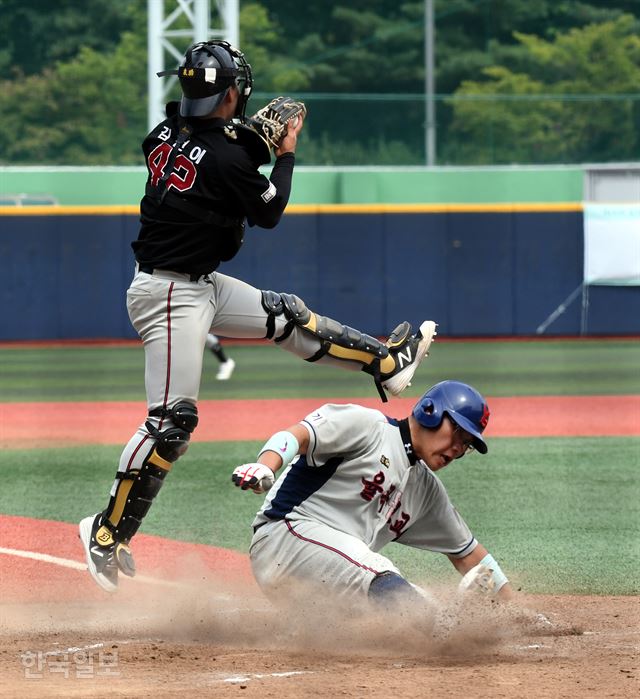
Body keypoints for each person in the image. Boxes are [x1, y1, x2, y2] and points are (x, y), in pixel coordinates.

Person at [78, 39, 436, 593]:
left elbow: (214, 145)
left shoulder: (165, 131)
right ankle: (106, 532)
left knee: (285, 316)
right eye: (237, 92)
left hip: (196, 282)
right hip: (170, 295)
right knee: (171, 425)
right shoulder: (225, 153)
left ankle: (385, 363)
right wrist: (285, 150)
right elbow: (266, 209)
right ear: (229, 95)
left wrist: (250, 137)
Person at [231, 380, 514, 617]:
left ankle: (446, 625)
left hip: (325, 583)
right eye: (458, 433)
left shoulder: (426, 490)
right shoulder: (370, 427)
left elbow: (469, 554)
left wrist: (514, 612)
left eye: (466, 444)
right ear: (431, 411)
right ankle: (445, 627)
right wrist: (267, 465)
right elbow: (299, 435)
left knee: (403, 601)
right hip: (284, 539)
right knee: (379, 571)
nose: (457, 449)